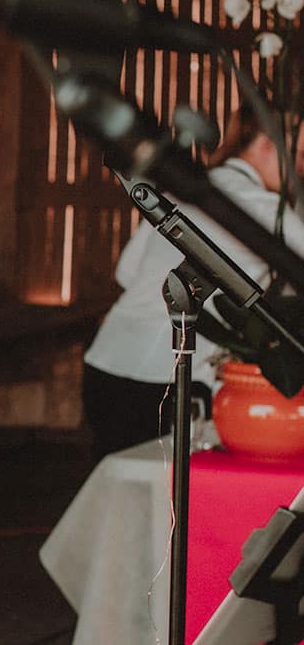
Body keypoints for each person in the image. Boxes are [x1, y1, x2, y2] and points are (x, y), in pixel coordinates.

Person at [84, 104, 304, 459]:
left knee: (128, 498)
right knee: (178, 502)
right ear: (266, 144)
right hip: (172, 384)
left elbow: (126, 271)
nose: (300, 168)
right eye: (299, 154)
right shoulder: (258, 207)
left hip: (107, 366)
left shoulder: (182, 192)